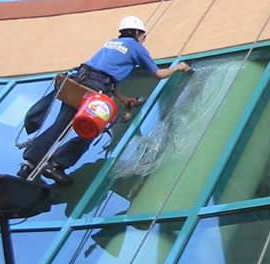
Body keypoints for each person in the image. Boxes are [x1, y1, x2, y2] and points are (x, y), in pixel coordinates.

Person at [18, 15, 191, 186]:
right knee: (91, 131)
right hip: (95, 91)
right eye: (143, 36)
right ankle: (56, 165)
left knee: (60, 126)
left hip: (79, 83)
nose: (143, 39)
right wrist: (178, 67)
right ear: (137, 33)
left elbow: (103, 75)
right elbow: (158, 74)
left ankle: (29, 164)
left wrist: (123, 99)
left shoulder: (110, 43)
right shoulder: (137, 48)